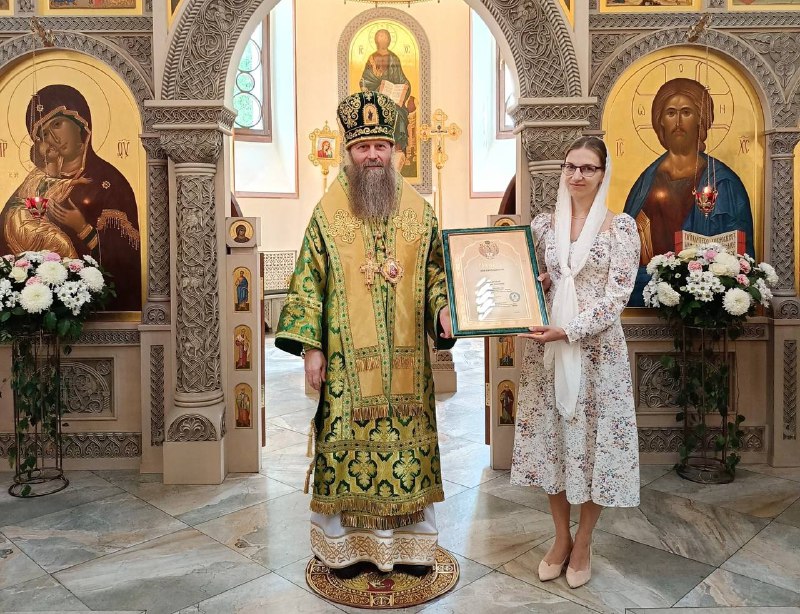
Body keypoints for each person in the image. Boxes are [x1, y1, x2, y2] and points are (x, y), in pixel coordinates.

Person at [275, 90, 454, 578]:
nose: (372, 155)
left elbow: (436, 273)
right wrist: (311, 349)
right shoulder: (327, 214)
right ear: (348, 152)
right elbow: (308, 283)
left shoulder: (420, 213)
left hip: (407, 371)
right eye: (362, 147)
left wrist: (444, 310)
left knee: (407, 452)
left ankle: (412, 548)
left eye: (380, 146)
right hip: (345, 370)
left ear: (395, 150)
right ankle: (345, 549)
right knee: (344, 448)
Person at [511, 136, 640, 589]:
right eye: (571, 166)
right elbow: (529, 277)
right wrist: (538, 283)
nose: (577, 175)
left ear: (603, 175)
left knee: (593, 445)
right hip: (547, 353)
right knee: (554, 443)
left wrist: (569, 329)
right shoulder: (544, 226)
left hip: (597, 354)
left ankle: (583, 541)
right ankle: (560, 537)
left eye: (588, 168)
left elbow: (617, 296)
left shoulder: (620, 228)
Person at [0, 84, 141, 311]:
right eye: (45, 134)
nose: (54, 138)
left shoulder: (109, 183)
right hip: (37, 305)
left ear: (81, 123)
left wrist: (83, 228)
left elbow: (126, 260)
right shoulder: (34, 184)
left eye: (57, 124)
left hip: (90, 308)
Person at [623, 78, 754, 305]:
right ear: (660, 121)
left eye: (686, 112)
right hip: (648, 294)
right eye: (670, 113)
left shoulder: (724, 182)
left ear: (700, 120)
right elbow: (626, 249)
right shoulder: (644, 184)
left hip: (704, 299)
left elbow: (741, 254)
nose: (678, 121)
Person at [360, 29, 412, 165]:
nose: (382, 39)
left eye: (385, 37)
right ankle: (377, 150)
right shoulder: (371, 58)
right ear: (376, 40)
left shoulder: (394, 58)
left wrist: (405, 85)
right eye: (380, 37)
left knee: (399, 114)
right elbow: (365, 79)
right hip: (376, 99)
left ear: (389, 40)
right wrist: (376, 88)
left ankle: (398, 150)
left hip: (393, 99)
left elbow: (401, 78)